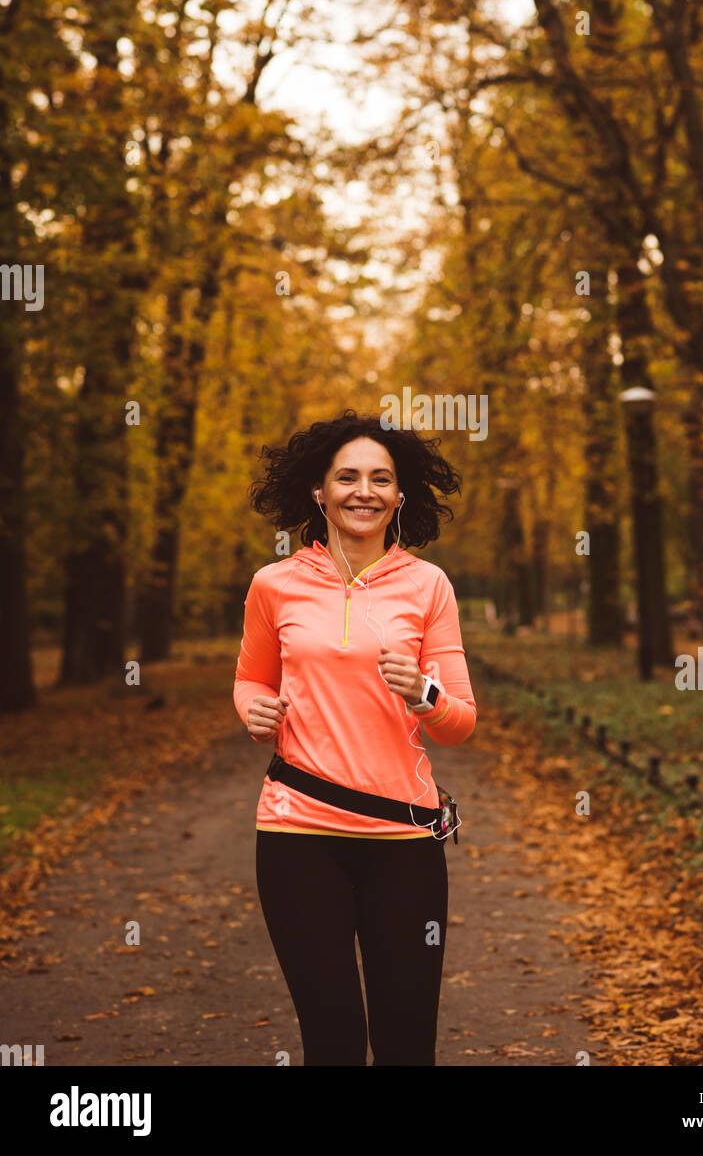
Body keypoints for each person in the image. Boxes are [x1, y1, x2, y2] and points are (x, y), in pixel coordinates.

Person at [232, 408, 477, 1066]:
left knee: (406, 1043)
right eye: (346, 477)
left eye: (379, 478)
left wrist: (422, 693)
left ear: (399, 496)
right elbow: (251, 679)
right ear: (320, 490)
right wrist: (253, 711)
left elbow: (459, 722)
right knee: (332, 1040)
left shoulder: (427, 585)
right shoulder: (273, 585)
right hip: (296, 833)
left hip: (403, 840)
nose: (362, 490)